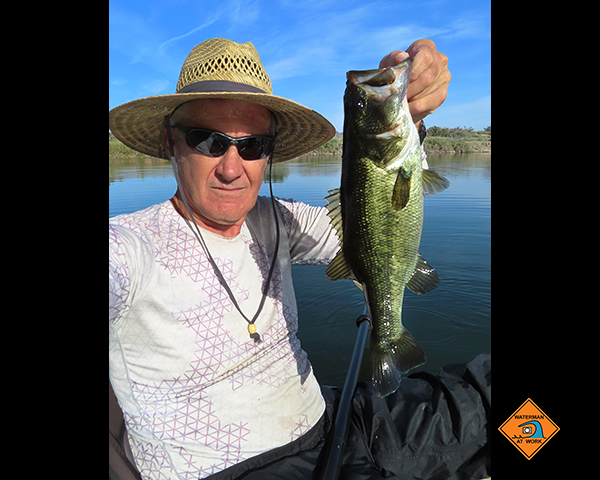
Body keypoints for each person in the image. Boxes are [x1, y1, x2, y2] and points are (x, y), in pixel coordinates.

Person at [109, 38, 489, 480]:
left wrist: (412, 119)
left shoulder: (279, 220)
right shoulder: (129, 246)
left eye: (252, 145)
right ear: (172, 144)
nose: (232, 168)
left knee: (519, 410)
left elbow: (373, 226)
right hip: (235, 469)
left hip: (333, 422)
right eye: (208, 140)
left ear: (268, 154)